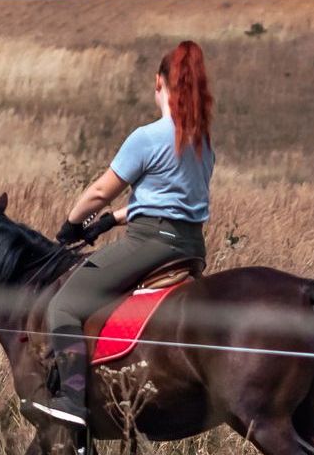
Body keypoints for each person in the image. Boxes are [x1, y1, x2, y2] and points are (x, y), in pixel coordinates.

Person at [34, 41, 215, 428]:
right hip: (190, 246)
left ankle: (70, 400)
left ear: (159, 84)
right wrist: (111, 221)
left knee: (62, 307)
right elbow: (172, 200)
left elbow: (100, 191)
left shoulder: (147, 137)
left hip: (149, 243)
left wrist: (72, 221)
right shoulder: (202, 142)